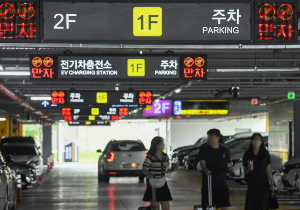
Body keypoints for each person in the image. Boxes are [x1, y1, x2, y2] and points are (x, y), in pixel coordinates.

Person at [198, 129, 233, 210]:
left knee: (224, 204)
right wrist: (206, 170)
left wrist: (230, 169)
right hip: (208, 183)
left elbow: (228, 163)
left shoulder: (224, 150)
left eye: (212, 137)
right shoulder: (204, 149)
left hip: (221, 182)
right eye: (208, 137)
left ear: (218, 138)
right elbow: (202, 163)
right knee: (208, 206)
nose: (209, 139)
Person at [142, 136, 177, 210]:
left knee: (166, 207)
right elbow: (144, 169)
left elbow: (166, 170)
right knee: (155, 208)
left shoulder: (165, 157)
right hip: (153, 184)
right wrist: (149, 174)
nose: (163, 144)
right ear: (157, 145)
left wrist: (173, 169)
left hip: (163, 183)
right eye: (162, 143)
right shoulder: (150, 157)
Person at [243, 133, 274, 210]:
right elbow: (245, 171)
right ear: (251, 141)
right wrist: (248, 170)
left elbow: (268, 169)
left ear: (262, 142)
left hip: (264, 183)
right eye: (254, 139)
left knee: (263, 205)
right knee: (252, 205)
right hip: (252, 183)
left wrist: (272, 183)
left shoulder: (265, 154)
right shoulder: (247, 154)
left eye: (258, 139)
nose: (256, 141)